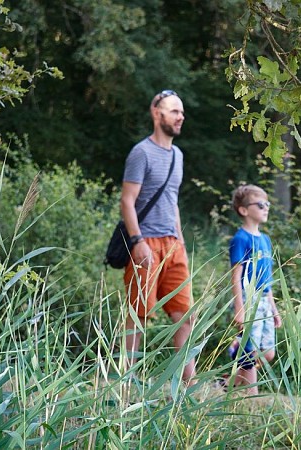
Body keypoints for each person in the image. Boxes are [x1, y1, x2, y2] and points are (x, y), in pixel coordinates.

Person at [120, 89, 195, 384]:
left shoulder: (177, 155)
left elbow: (172, 199)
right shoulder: (141, 152)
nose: (181, 117)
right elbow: (128, 201)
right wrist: (137, 242)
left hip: (173, 244)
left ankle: (188, 383)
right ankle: (126, 381)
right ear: (157, 113)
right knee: (138, 316)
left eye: (182, 112)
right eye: (174, 111)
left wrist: (181, 242)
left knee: (185, 315)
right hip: (146, 243)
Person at [226, 184, 282, 394]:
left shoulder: (265, 240)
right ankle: (252, 397)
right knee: (250, 351)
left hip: (265, 301)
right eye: (260, 204)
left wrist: (274, 309)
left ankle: (230, 371)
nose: (266, 208)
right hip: (248, 300)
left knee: (267, 353)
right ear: (244, 210)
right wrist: (239, 308)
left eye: (267, 204)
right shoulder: (241, 239)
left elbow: (267, 280)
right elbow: (236, 276)